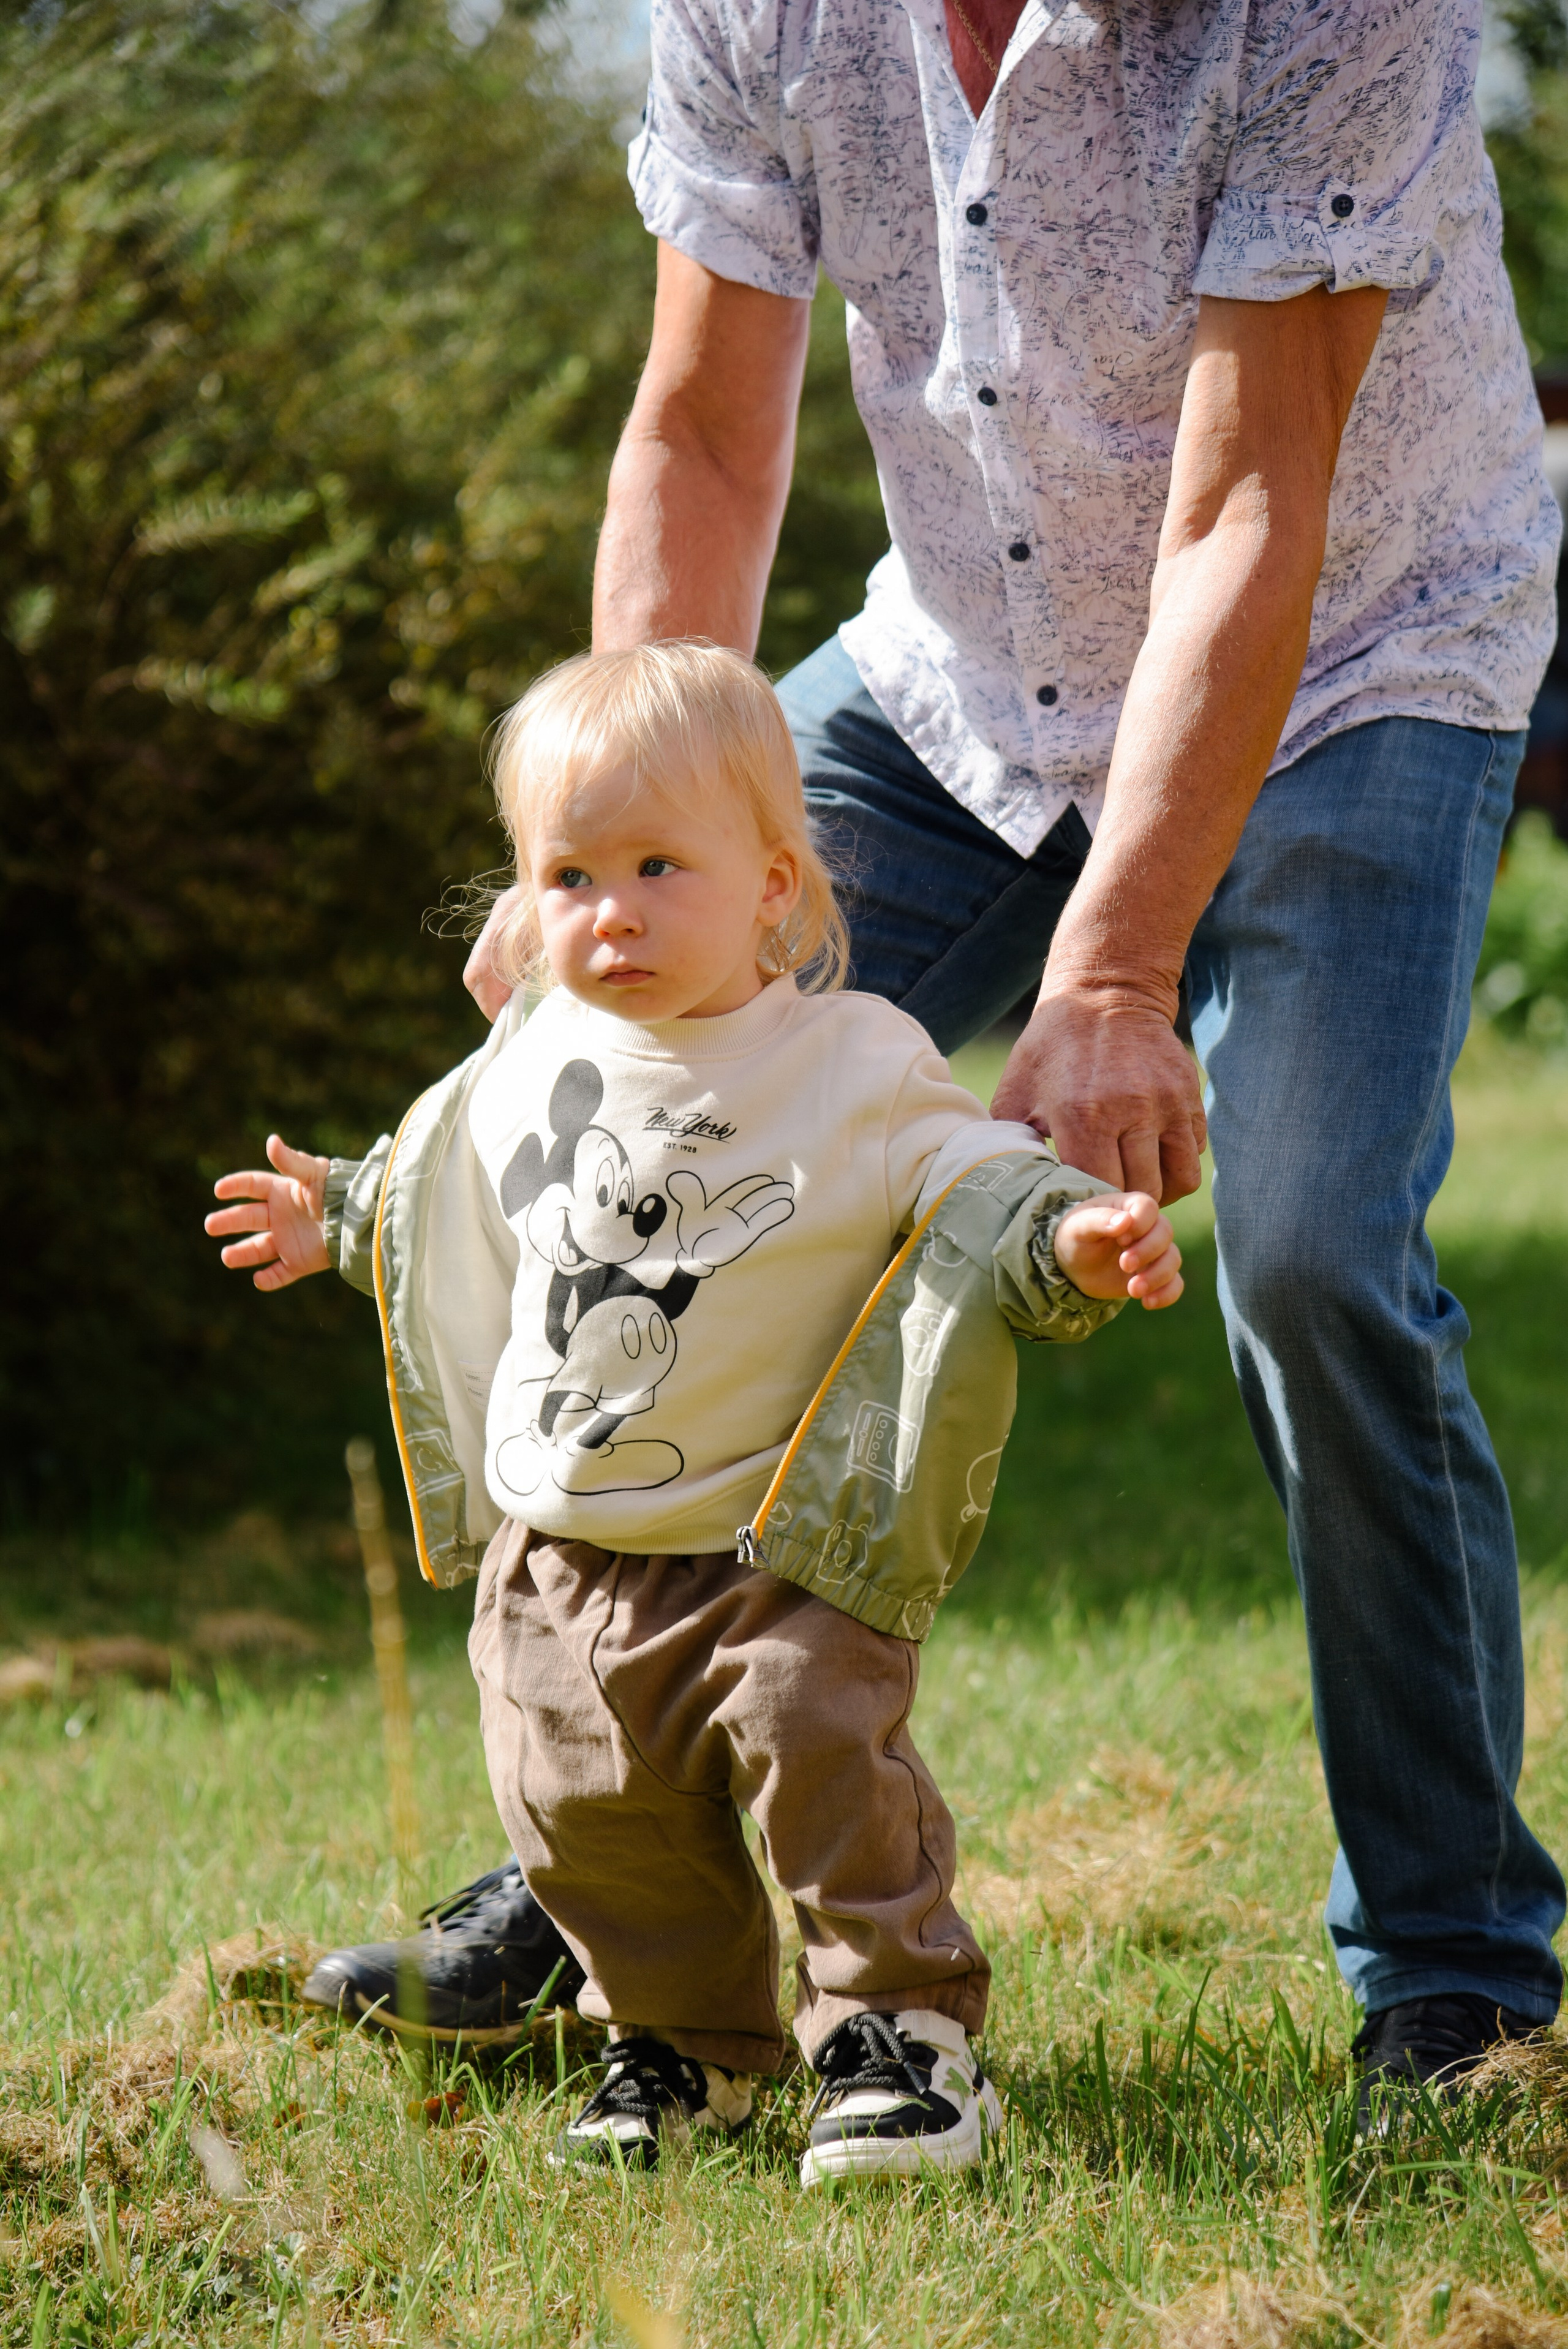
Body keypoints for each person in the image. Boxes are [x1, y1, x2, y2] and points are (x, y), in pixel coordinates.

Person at [296, 0, 1568, 2124]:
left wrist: (1117, 967)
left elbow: (1253, 498)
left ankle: (1457, 1971)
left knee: (1318, 1251)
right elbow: (703, 438)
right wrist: (622, 841)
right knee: (624, 1126)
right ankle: (606, 1881)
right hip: (961, 677)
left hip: (1362, 654)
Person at [206, 641, 1182, 2179]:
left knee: (823, 1760)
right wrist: (341, 1211)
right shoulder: (534, 1056)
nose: (613, 910)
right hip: (565, 1546)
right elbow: (454, 1187)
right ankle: (679, 2040)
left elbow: (970, 1184)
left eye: (660, 865)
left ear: (775, 888)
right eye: (570, 873)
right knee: (587, 1807)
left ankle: (899, 2036)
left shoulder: (850, 1061)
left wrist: (1067, 1236)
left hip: (772, 1543)